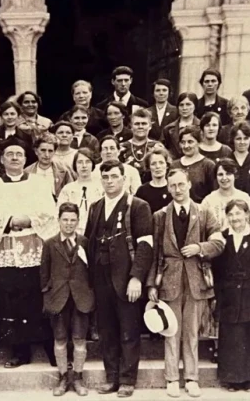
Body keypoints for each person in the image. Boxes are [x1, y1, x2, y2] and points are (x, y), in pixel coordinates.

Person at [0, 136, 59, 368]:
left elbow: (49, 213)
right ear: (2, 159)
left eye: (19, 154)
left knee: (37, 297)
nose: (15, 158)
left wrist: (29, 219)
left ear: (26, 159)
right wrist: (10, 221)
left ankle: (49, 346)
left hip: (34, 248)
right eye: (10, 154)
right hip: (6, 250)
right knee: (10, 301)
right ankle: (20, 351)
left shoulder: (38, 184)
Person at [147, 168, 224, 398]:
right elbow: (154, 254)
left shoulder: (204, 212)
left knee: (191, 332)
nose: (177, 190)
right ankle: (171, 378)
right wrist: (152, 284)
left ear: (189, 184)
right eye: (172, 186)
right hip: (169, 279)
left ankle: (191, 378)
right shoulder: (160, 216)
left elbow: (219, 242)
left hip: (195, 279)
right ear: (168, 187)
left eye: (181, 184)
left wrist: (200, 248)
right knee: (171, 330)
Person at [84, 160, 153, 398]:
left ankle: (127, 380)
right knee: (107, 330)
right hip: (100, 278)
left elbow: (146, 246)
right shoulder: (95, 207)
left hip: (126, 279)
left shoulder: (138, 206)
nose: (110, 181)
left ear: (124, 179)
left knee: (128, 330)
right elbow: (89, 243)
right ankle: (111, 377)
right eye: (106, 177)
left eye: (114, 176)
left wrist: (136, 278)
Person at [212, 199, 250, 392]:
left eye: (238, 213)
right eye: (231, 214)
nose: (235, 218)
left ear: (247, 215)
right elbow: (216, 268)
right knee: (232, 336)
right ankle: (232, 378)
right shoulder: (221, 238)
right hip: (229, 293)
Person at [40, 202, 94, 396]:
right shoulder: (49, 244)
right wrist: (48, 297)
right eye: (65, 220)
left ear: (78, 221)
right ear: (59, 220)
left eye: (73, 220)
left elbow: (92, 271)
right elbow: (44, 275)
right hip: (58, 298)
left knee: (79, 339)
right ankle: (63, 378)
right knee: (60, 339)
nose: (69, 224)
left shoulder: (86, 242)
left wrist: (90, 294)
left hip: (81, 298)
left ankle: (78, 378)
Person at [56, 147, 104, 235]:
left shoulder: (101, 187)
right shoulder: (68, 189)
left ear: (93, 165)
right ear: (75, 165)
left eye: (88, 162)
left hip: (97, 233)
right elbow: (60, 214)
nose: (84, 166)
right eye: (80, 162)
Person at [201, 158, 250, 230]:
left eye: (228, 174)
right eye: (220, 174)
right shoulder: (208, 201)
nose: (224, 178)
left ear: (235, 175)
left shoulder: (245, 198)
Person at [169, 125, 216, 203]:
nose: (186, 146)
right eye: (183, 142)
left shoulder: (208, 165)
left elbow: (213, 193)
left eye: (190, 142)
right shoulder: (174, 165)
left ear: (199, 143)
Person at [24, 133, 74, 201]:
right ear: (36, 151)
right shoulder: (27, 172)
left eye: (50, 151)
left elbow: (71, 192)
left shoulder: (64, 170)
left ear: (54, 152)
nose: (47, 155)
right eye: (43, 150)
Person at [162, 92, 200, 158]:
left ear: (195, 106)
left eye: (188, 104)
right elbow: (162, 149)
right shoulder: (168, 129)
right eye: (181, 105)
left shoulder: (202, 127)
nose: (184, 108)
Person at [135, 147, 172, 213]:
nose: (158, 166)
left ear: (167, 165)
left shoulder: (173, 188)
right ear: (149, 167)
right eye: (153, 164)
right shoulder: (142, 191)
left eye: (161, 163)